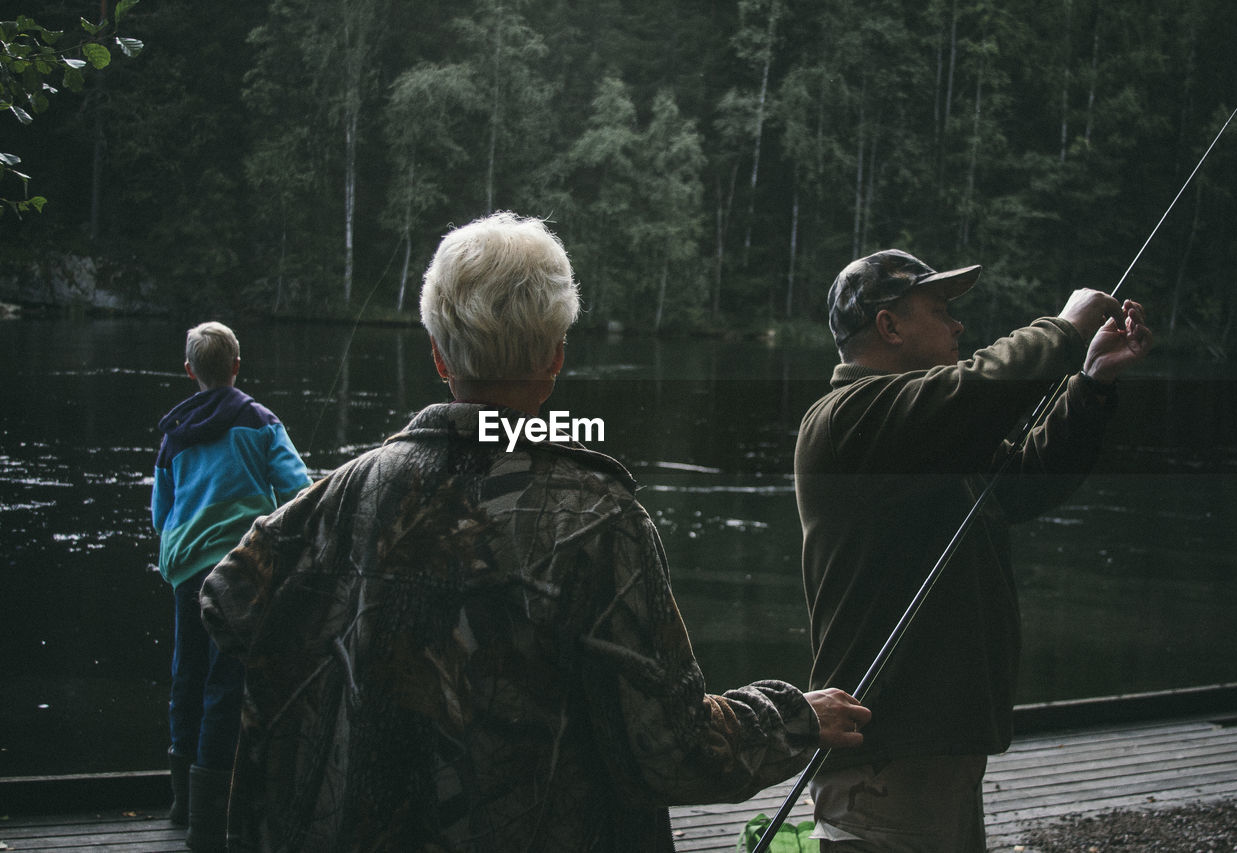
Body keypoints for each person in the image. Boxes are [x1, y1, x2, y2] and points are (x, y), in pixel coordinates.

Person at [198, 212, 870, 852]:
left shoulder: (351, 487)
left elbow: (226, 602)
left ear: (437, 354)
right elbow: (674, 749)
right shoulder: (601, 517)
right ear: (554, 357)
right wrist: (795, 715)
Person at [794, 249, 1153, 851]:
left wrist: (1091, 385)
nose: (958, 325)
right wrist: (1062, 330)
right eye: (939, 310)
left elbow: (1022, 483)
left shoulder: (930, 435)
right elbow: (980, 388)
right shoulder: (848, 419)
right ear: (889, 326)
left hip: (935, 747)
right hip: (886, 757)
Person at [152, 321, 311, 852]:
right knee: (225, 683)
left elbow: (160, 515)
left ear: (189, 370)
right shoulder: (261, 423)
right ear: (237, 366)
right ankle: (207, 824)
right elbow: (297, 492)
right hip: (240, 568)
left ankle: (180, 802)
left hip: (186, 569)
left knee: (186, 674)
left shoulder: (174, 433)